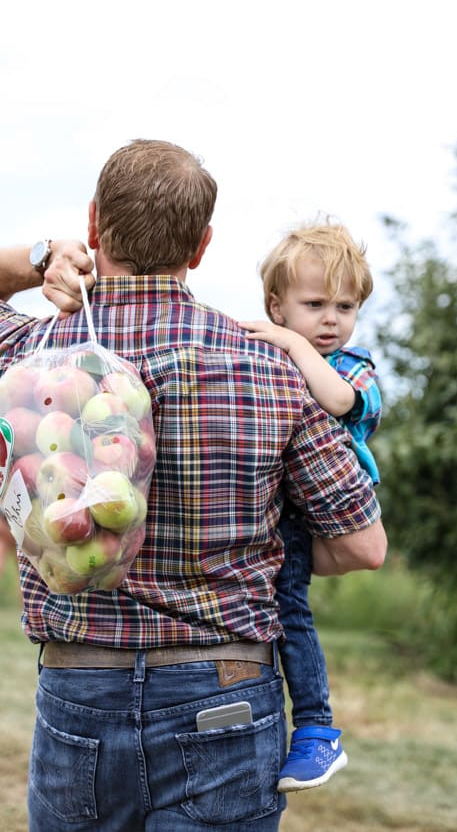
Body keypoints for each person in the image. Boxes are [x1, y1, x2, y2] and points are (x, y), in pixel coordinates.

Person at [0, 140, 387, 832]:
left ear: (93, 226)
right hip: (227, 693)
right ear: (202, 245)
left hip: (78, 688)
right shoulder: (273, 367)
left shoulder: (30, 355)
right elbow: (364, 547)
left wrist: (40, 257)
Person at [239, 221, 381, 793]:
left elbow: (339, 401)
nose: (331, 320)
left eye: (345, 307)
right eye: (315, 304)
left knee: (291, 612)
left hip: (319, 513)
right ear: (277, 305)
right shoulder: (270, 357)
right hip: (272, 506)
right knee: (264, 612)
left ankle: (318, 729)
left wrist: (291, 343)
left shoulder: (352, 365)